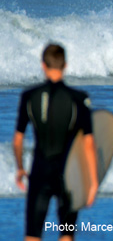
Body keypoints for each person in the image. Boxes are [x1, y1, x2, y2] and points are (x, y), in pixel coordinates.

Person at [13, 44, 97, 241]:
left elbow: (18, 140)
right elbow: (89, 144)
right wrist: (92, 183)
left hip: (39, 174)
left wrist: (20, 168)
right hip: (68, 178)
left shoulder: (28, 96)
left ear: (43, 65)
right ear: (65, 65)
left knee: (32, 236)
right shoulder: (79, 99)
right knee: (66, 236)